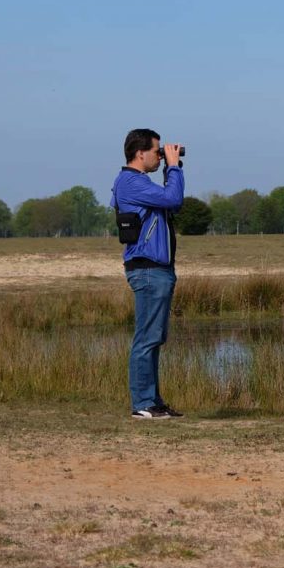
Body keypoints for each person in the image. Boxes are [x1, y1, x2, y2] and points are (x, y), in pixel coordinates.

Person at [111, 128, 185, 419]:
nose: (160, 156)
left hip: (155, 269)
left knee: (154, 337)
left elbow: (168, 200)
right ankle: (142, 403)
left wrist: (170, 167)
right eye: (157, 151)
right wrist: (174, 167)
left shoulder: (137, 183)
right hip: (148, 269)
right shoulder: (131, 182)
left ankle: (152, 401)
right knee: (147, 338)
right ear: (140, 153)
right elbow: (174, 199)